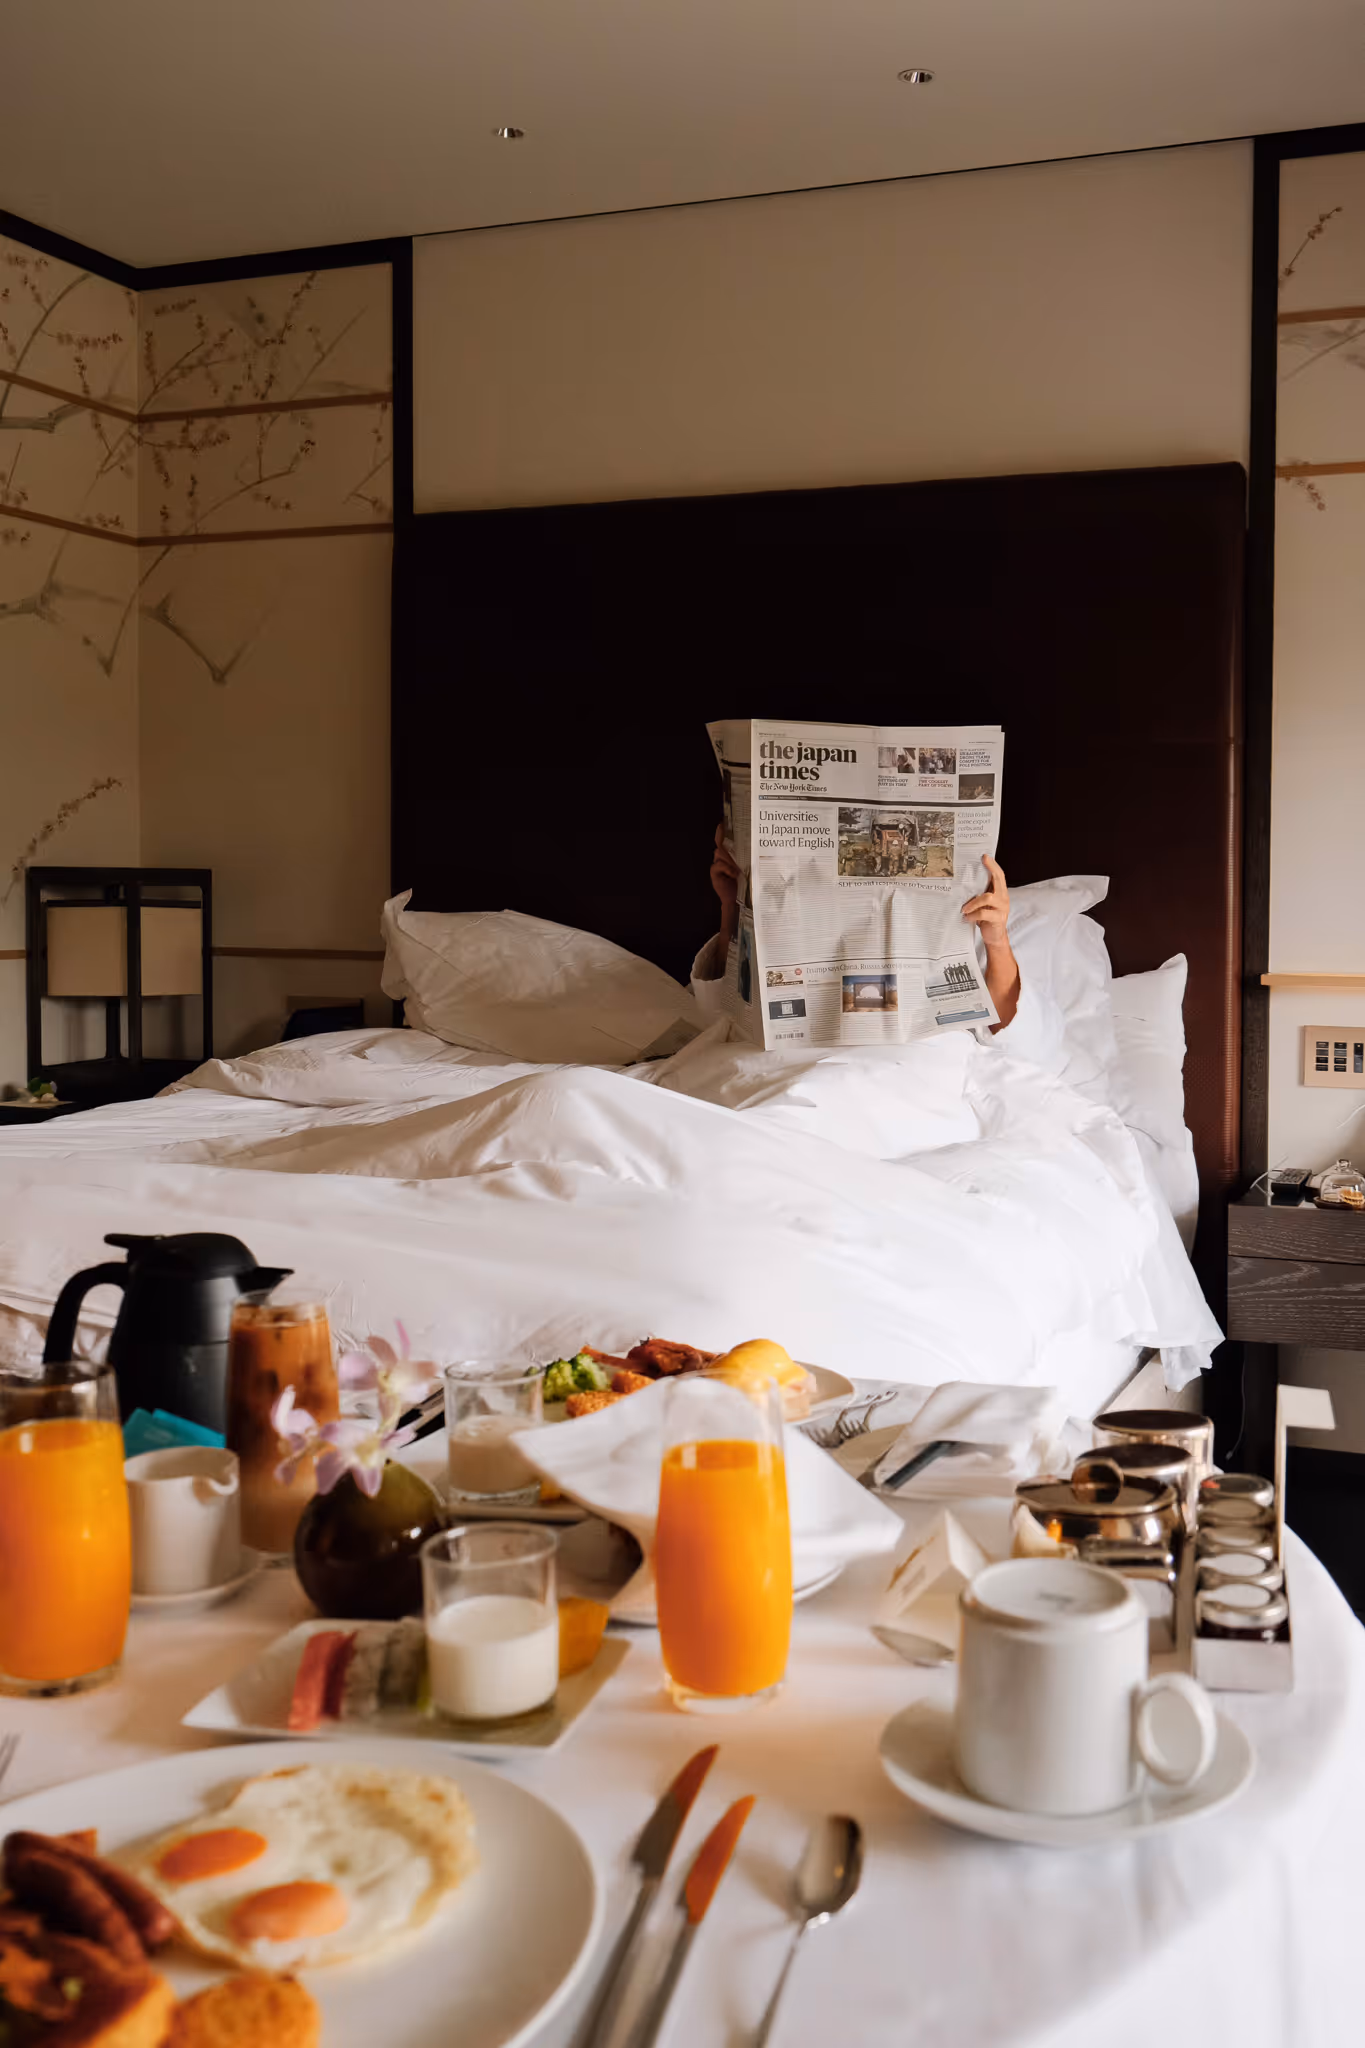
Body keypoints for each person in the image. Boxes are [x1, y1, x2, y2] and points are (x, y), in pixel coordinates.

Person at [699, 824, 1022, 1032]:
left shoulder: (959, 914)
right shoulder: (792, 899)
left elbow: (1002, 1026)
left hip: (908, 1067)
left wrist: (997, 940)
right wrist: (732, 904)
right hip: (787, 1065)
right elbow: (721, 1009)